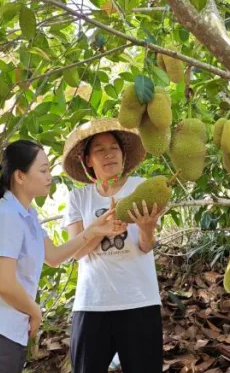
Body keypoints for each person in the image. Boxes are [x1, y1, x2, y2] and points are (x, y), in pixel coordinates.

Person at [0, 139, 127, 373]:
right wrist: (35, 311)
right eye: (43, 170)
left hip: (8, 332)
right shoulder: (7, 215)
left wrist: (94, 230)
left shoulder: (27, 214)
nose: (49, 176)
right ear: (20, 176)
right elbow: (4, 284)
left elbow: (54, 256)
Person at [59, 118, 167, 373]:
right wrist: (101, 228)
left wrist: (147, 227)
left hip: (139, 300)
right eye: (100, 149)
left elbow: (145, 246)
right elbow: (77, 251)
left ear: (123, 154)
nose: (109, 154)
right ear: (87, 160)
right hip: (93, 302)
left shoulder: (141, 188)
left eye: (114, 148)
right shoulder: (78, 197)